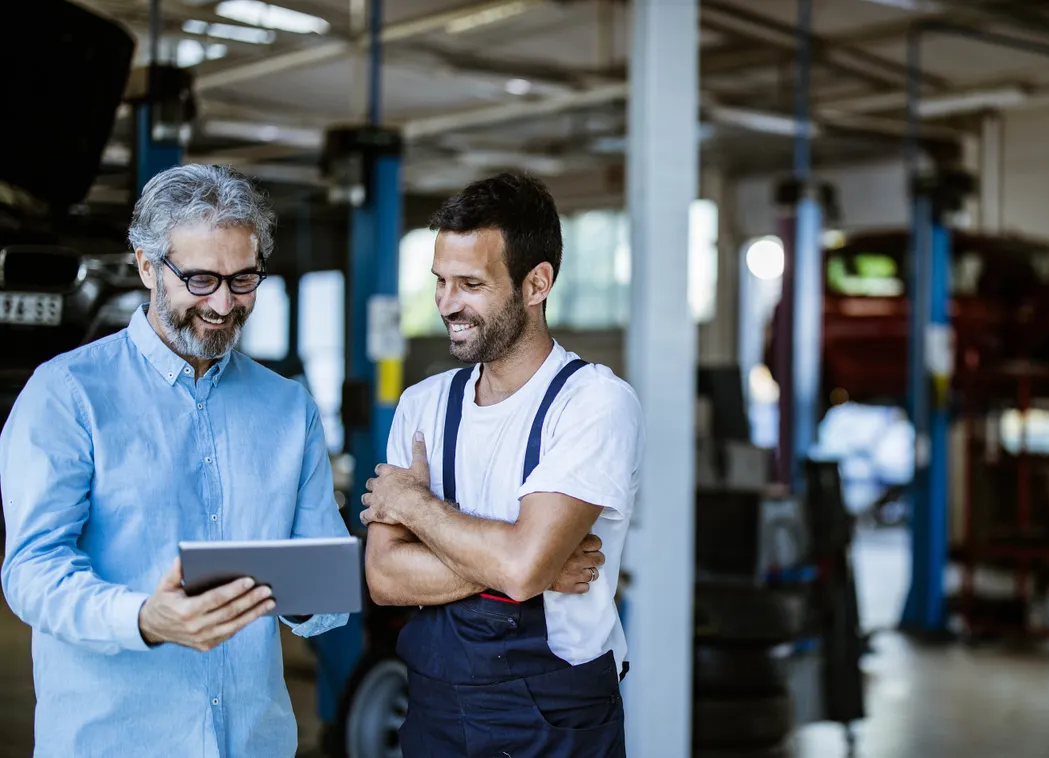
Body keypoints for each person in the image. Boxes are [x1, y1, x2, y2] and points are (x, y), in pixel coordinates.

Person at [0, 164, 350, 757]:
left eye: (244, 279)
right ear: (146, 267)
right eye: (201, 279)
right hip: (114, 742)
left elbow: (323, 587)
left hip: (254, 742)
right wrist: (143, 619)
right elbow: (31, 571)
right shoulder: (66, 394)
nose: (224, 303)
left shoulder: (289, 407)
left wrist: (315, 592)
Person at [360, 171, 644, 757]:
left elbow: (521, 568)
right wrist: (526, 561)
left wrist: (415, 507)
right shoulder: (422, 405)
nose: (446, 305)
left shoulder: (592, 401)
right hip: (434, 707)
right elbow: (385, 579)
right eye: (440, 282)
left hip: (552, 718)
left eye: (469, 284)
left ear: (536, 283)